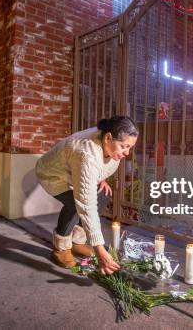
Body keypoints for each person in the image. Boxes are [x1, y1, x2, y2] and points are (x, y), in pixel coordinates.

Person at [35, 116, 138, 273]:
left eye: (130, 147)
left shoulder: (108, 140)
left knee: (102, 194)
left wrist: (100, 178)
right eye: (124, 146)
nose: (127, 153)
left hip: (74, 171)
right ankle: (60, 248)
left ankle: (77, 242)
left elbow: (102, 165)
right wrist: (99, 249)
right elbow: (86, 204)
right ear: (108, 138)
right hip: (53, 175)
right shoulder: (86, 154)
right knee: (77, 205)